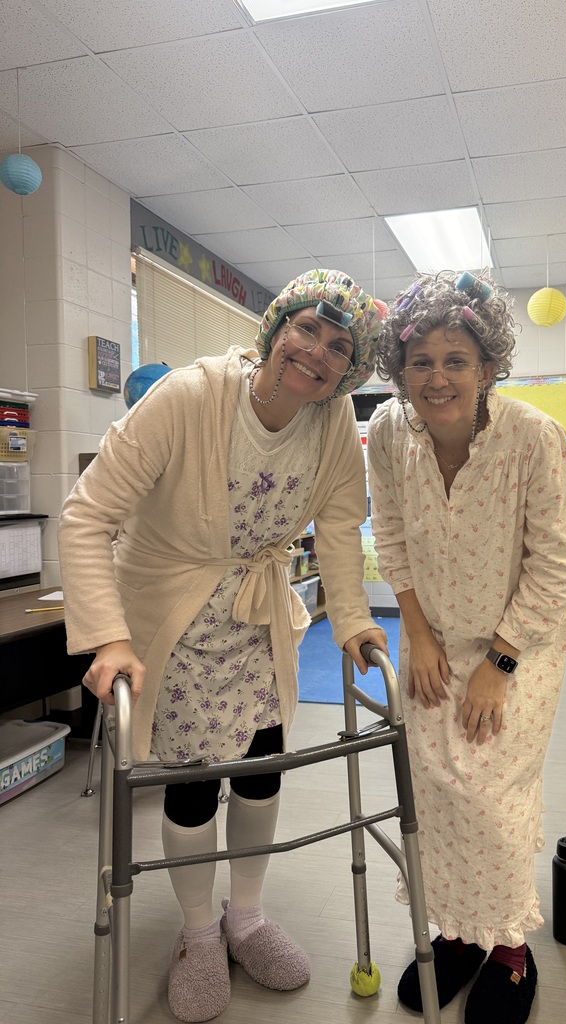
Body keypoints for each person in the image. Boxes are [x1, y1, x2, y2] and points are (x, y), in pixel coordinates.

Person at [58, 269, 389, 1024]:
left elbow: (339, 527)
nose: (316, 353)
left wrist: (352, 621)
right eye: (306, 328)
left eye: (339, 347)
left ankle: (246, 917)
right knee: (194, 781)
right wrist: (108, 635)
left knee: (262, 770)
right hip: (169, 619)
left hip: (258, 618)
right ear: (275, 329)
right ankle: (199, 932)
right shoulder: (187, 395)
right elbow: (86, 517)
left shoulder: (332, 420)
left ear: (349, 371)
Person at [366, 270, 566, 1024]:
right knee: (434, 791)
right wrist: (414, 630)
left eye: (456, 360)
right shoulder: (390, 433)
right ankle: (457, 932)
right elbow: (388, 536)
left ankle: (511, 950)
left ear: (488, 367)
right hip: (433, 638)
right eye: (420, 362)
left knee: (486, 792)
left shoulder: (531, 436)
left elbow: (557, 564)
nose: (437, 378)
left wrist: (499, 662)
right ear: (399, 370)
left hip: (519, 644)